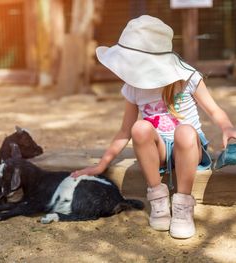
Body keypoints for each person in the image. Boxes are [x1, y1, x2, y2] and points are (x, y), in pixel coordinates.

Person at [70, 15, 236, 239]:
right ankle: (158, 198)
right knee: (140, 127)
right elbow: (125, 131)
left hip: (188, 148)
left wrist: (227, 128)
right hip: (157, 152)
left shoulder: (187, 76)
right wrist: (101, 165)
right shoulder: (134, 85)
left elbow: (215, 111)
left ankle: (183, 206)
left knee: (185, 131)